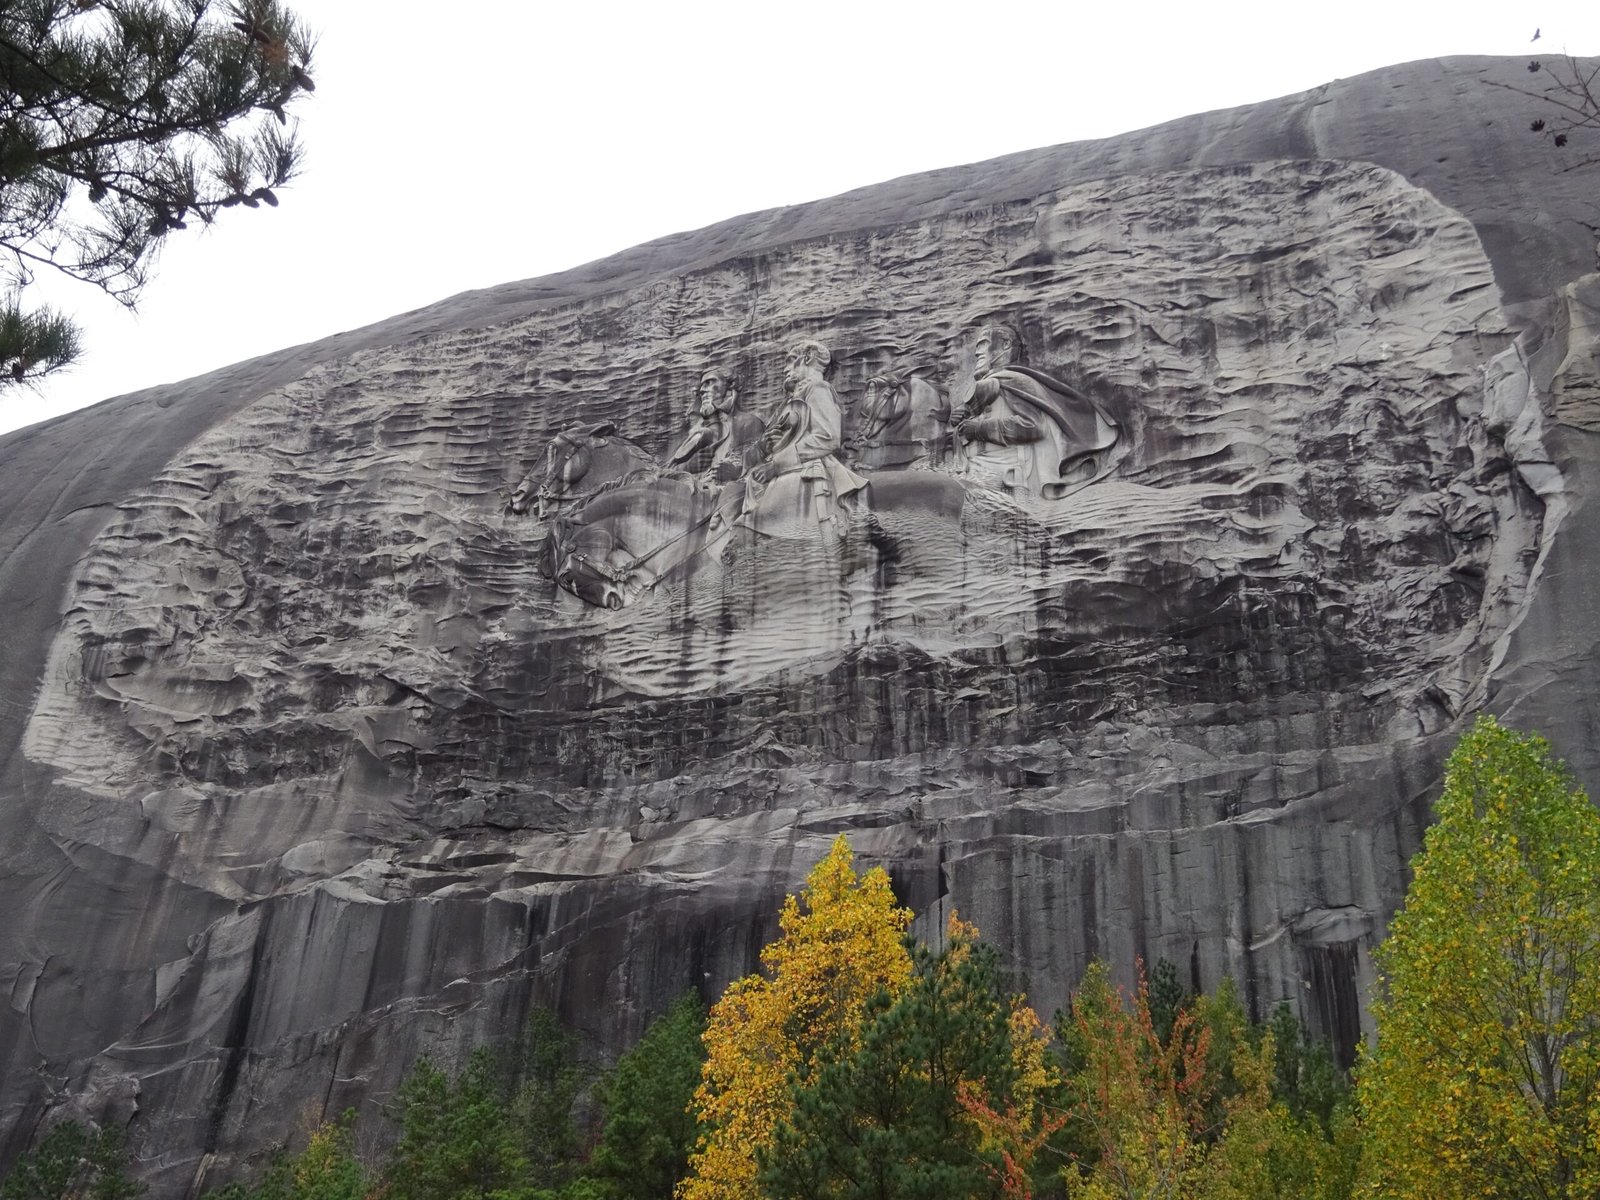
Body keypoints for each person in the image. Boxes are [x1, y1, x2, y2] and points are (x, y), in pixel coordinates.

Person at [953, 323, 1120, 499]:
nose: (977, 352)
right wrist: (960, 425)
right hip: (977, 465)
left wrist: (979, 429)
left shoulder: (1012, 381)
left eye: (983, 344)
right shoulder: (990, 386)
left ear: (1005, 345)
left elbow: (1033, 426)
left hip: (1004, 471)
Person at [741, 340, 867, 531]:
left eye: (791, 361)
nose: (785, 370)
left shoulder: (817, 387)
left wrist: (776, 465)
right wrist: (764, 446)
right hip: (785, 471)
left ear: (807, 358)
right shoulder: (791, 399)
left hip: (806, 471)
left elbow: (828, 437)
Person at [665, 368, 763, 481]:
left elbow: (759, 465)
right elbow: (663, 472)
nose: (702, 390)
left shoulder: (748, 423)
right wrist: (687, 467)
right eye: (701, 386)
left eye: (709, 382)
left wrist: (734, 472)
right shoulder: (698, 432)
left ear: (730, 384)